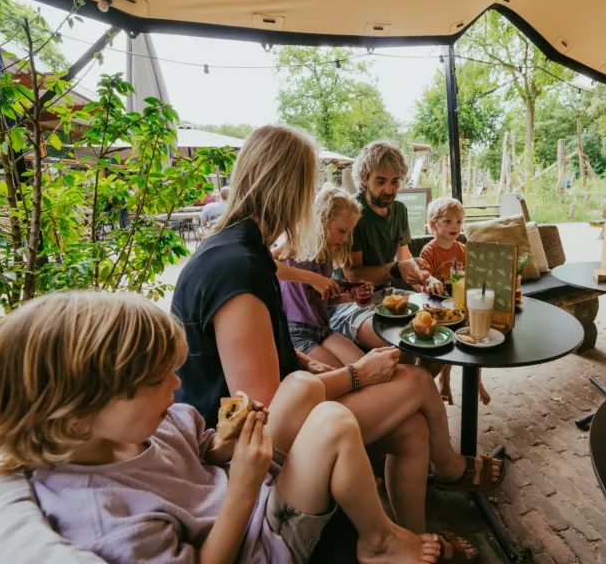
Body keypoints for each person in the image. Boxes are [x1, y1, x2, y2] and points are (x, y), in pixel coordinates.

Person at [171, 125, 500, 552]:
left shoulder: (241, 250)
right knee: (416, 381)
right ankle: (450, 470)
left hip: (284, 408)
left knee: (413, 429)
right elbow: (266, 407)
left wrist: (308, 362)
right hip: (244, 446)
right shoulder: (238, 268)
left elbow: (267, 350)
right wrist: (356, 375)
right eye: (310, 186)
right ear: (292, 190)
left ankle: (412, 540)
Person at [0, 291, 443, 564]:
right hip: (257, 539)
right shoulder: (107, 517)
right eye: (158, 380)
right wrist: (241, 487)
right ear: (79, 413)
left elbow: (200, 449)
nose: (177, 386)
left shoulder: (144, 428)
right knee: (332, 422)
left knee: (300, 386)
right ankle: (379, 540)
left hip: (249, 489)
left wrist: (224, 443)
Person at [331, 141, 443, 353]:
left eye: (395, 182)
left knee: (438, 319)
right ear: (365, 179)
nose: (389, 190)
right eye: (381, 181)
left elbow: (403, 256)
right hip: (351, 299)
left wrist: (425, 279)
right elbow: (353, 273)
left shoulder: (399, 210)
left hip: (387, 294)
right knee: (401, 340)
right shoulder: (353, 211)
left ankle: (435, 383)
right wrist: (396, 268)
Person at [277, 184, 372, 370]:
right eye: (342, 231)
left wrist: (345, 297)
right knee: (346, 376)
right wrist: (314, 278)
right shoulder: (299, 241)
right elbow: (265, 262)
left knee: (367, 366)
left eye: (349, 232)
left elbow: (313, 299)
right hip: (295, 330)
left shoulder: (327, 253)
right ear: (323, 219)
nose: (345, 239)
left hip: (322, 328)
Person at [419, 197, 490, 407]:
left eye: (459, 221)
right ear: (433, 225)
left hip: (459, 304)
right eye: (448, 221)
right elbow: (423, 279)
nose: (455, 226)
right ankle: (444, 377)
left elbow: (471, 277)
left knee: (474, 337)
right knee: (446, 344)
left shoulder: (462, 249)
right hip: (439, 306)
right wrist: (429, 284)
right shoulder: (429, 251)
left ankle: (477, 381)